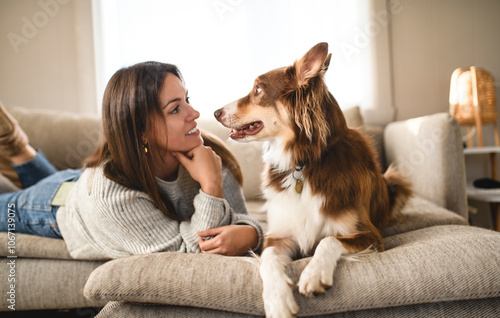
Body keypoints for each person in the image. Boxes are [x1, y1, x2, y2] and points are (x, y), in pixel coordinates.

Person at [0, 61, 263, 259]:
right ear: (142, 131)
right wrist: (210, 186)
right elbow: (186, 255)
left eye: (187, 99)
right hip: (60, 205)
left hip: (84, 181)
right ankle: (17, 148)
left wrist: (251, 234)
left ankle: (18, 150)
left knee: (54, 178)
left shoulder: (209, 153)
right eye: (175, 108)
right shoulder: (108, 197)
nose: (194, 113)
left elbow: (240, 221)